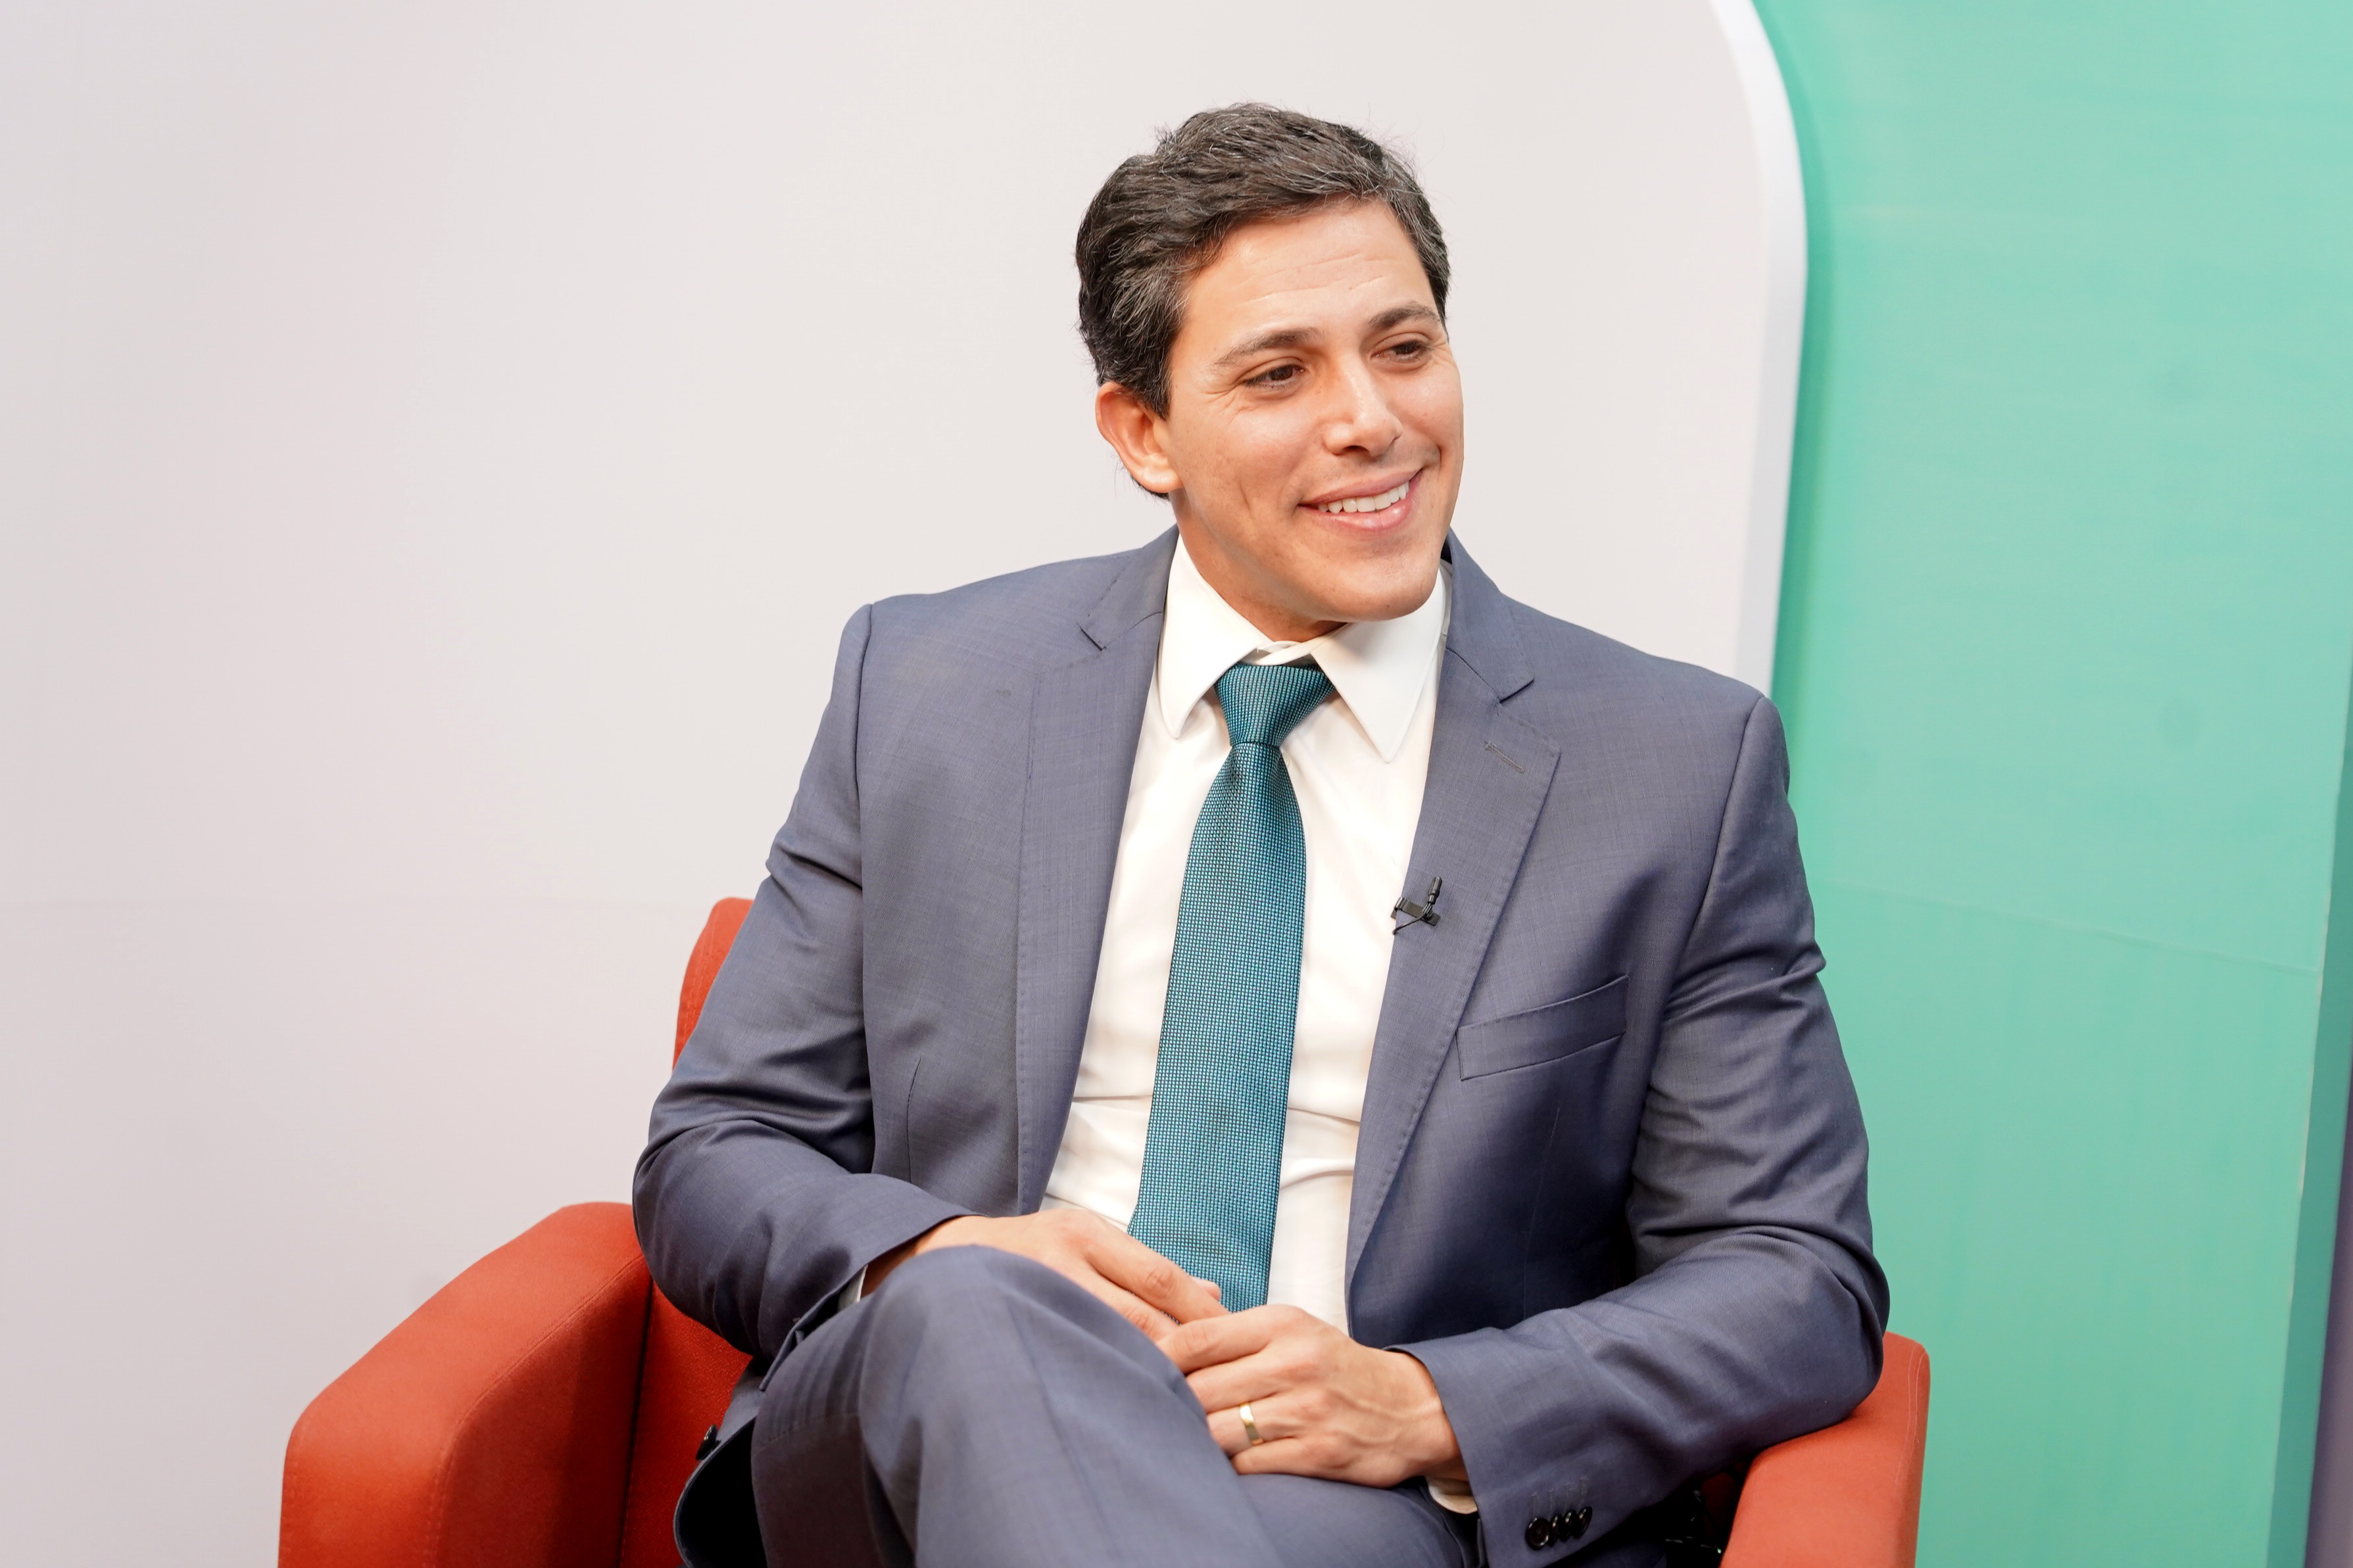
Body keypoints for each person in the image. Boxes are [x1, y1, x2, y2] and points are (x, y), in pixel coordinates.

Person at [636, 103, 1885, 1568]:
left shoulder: (1671, 765)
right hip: (909, 1431)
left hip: (1346, 1499)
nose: (1370, 418)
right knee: (979, 1313)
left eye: (1403, 347)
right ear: (1142, 433)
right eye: (1280, 372)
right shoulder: (926, 688)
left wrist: (1424, 1401)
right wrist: (937, 1254)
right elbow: (717, 1150)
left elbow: (1794, 1274)